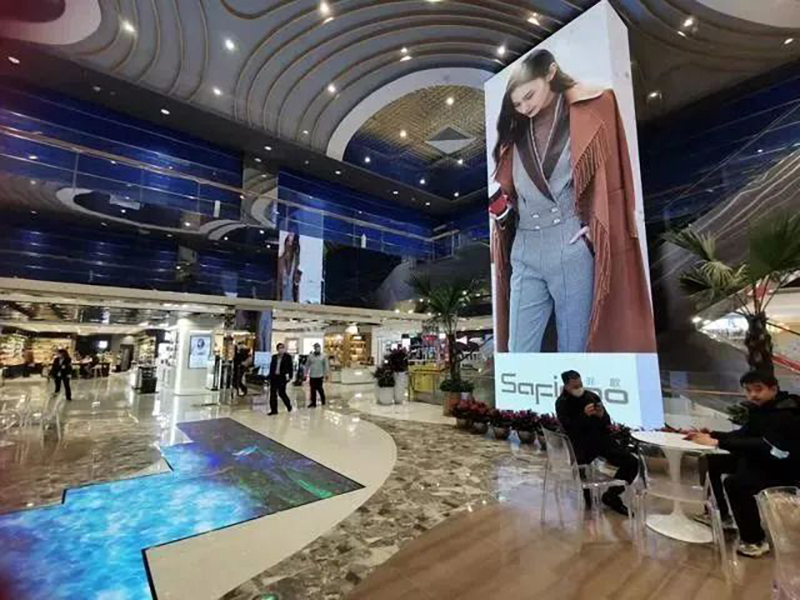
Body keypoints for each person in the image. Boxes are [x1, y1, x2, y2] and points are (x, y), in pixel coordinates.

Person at [489, 49, 655, 354]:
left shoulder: (593, 105)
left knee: (574, 349)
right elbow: (513, 190)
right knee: (518, 351)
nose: (525, 107)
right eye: (517, 103)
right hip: (525, 246)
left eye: (529, 96)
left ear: (551, 72)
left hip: (570, 241)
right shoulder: (515, 132)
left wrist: (596, 225)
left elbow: (614, 176)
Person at [687, 371, 800, 558]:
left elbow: (767, 445)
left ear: (773, 389)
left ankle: (754, 540)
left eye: (758, 389)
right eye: (748, 390)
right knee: (710, 462)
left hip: (784, 467)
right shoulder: (763, 409)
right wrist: (712, 434)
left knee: (736, 483)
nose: (753, 395)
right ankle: (722, 515)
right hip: (764, 460)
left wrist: (717, 442)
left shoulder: (787, 413)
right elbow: (744, 435)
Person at [555, 370, 638, 515]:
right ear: (566, 386)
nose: (579, 389)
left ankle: (612, 495)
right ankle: (588, 499)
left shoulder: (591, 397)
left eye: (580, 384)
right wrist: (584, 415)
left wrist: (602, 415)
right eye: (575, 387)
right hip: (580, 445)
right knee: (581, 467)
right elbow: (569, 429)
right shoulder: (562, 403)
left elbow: (607, 422)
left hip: (602, 440)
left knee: (632, 462)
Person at [268, 343, 294, 415]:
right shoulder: (274, 357)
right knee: (273, 394)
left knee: (281, 393)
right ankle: (274, 410)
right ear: (277, 349)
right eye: (280, 348)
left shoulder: (287, 357)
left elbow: (290, 367)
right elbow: (272, 367)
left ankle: (288, 405)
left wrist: (290, 376)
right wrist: (270, 376)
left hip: (282, 377)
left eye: (282, 348)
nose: (281, 349)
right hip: (274, 377)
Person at [306, 343, 329, 408]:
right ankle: (313, 403)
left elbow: (326, 366)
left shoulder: (323, 356)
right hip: (312, 375)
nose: (317, 348)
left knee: (320, 389)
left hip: (319, 375)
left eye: (318, 347)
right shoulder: (310, 356)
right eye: (316, 347)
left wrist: (326, 374)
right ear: (314, 348)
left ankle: (323, 401)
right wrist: (305, 373)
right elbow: (307, 365)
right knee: (312, 390)